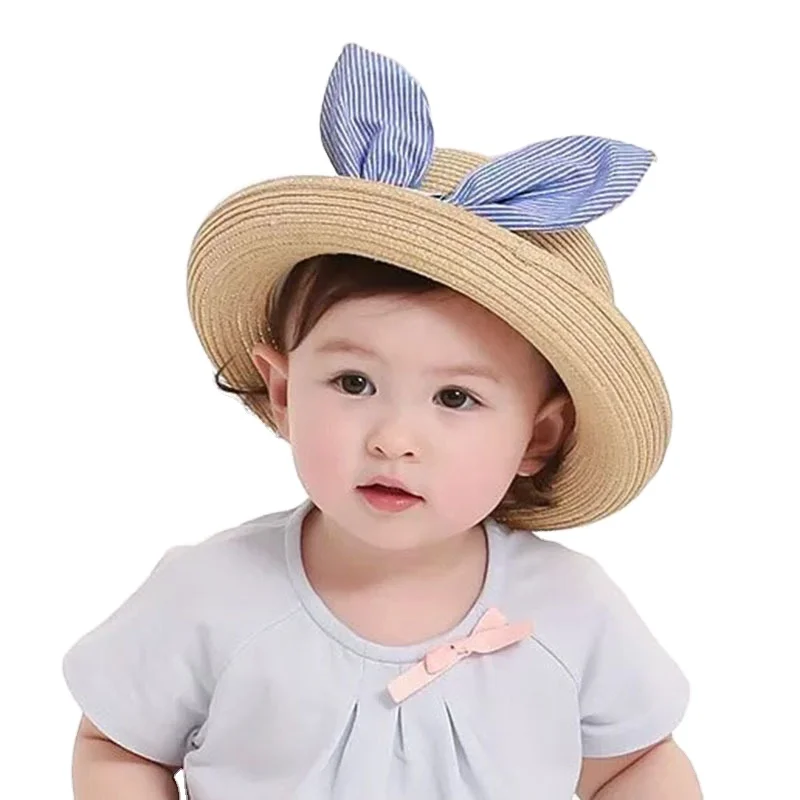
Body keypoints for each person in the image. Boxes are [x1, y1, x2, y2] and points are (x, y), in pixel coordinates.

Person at [63, 43, 702, 799]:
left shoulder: (571, 609)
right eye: (354, 382)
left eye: (455, 398)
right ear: (283, 391)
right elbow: (118, 746)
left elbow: (636, 763)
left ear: (538, 436)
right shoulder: (210, 595)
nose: (394, 438)